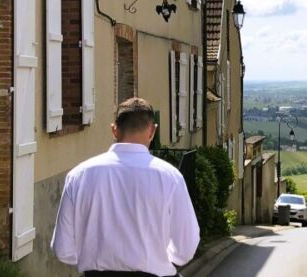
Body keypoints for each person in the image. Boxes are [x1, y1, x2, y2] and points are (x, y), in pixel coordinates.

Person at [51, 97, 200, 276]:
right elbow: (186, 248)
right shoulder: (170, 177)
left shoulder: (79, 176)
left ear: (114, 130)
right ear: (152, 131)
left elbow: (63, 249)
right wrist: (157, 259)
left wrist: (94, 259)